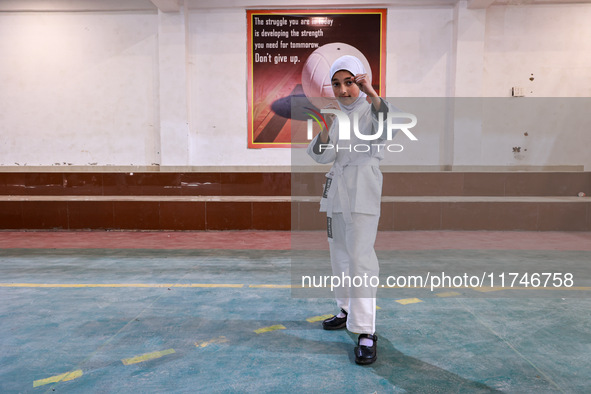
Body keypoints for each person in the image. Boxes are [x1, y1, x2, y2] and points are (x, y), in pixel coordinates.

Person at [306, 55, 394, 365]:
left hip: (362, 190)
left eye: (349, 82)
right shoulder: (333, 113)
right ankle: (345, 309)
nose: (343, 90)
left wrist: (372, 94)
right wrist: (327, 127)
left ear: (360, 81)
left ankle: (367, 330)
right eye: (337, 83)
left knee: (361, 260)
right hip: (337, 191)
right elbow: (320, 155)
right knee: (339, 254)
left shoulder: (372, 108)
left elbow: (387, 131)